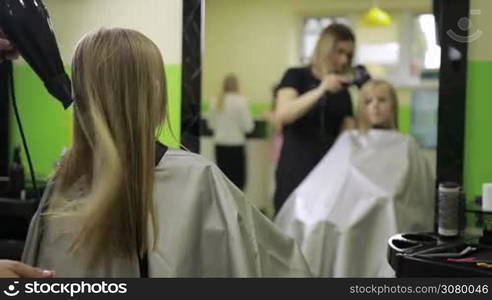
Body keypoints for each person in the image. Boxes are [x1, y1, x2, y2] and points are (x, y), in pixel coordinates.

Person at [21, 28, 310, 277]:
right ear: (155, 92)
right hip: (234, 149)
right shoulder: (197, 179)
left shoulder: (63, 182)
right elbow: (281, 263)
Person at [275, 80, 435, 277]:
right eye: (368, 101)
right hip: (343, 215)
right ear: (361, 108)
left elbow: (417, 196)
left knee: (386, 205)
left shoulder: (406, 144)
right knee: (323, 222)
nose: (375, 105)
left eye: (382, 100)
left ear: (393, 105)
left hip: (383, 216)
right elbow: (329, 183)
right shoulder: (349, 139)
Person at [273, 24, 356, 214]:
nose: (344, 60)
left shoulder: (343, 93)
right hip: (294, 174)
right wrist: (321, 90)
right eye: (339, 52)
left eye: (349, 55)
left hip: (327, 179)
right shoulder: (295, 76)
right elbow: (283, 115)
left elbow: (348, 138)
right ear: (325, 49)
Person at [208, 74, 254, 190]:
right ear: (237, 85)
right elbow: (249, 127)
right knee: (237, 182)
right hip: (236, 145)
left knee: (222, 181)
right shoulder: (242, 101)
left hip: (220, 145)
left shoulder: (215, 101)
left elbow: (210, 124)